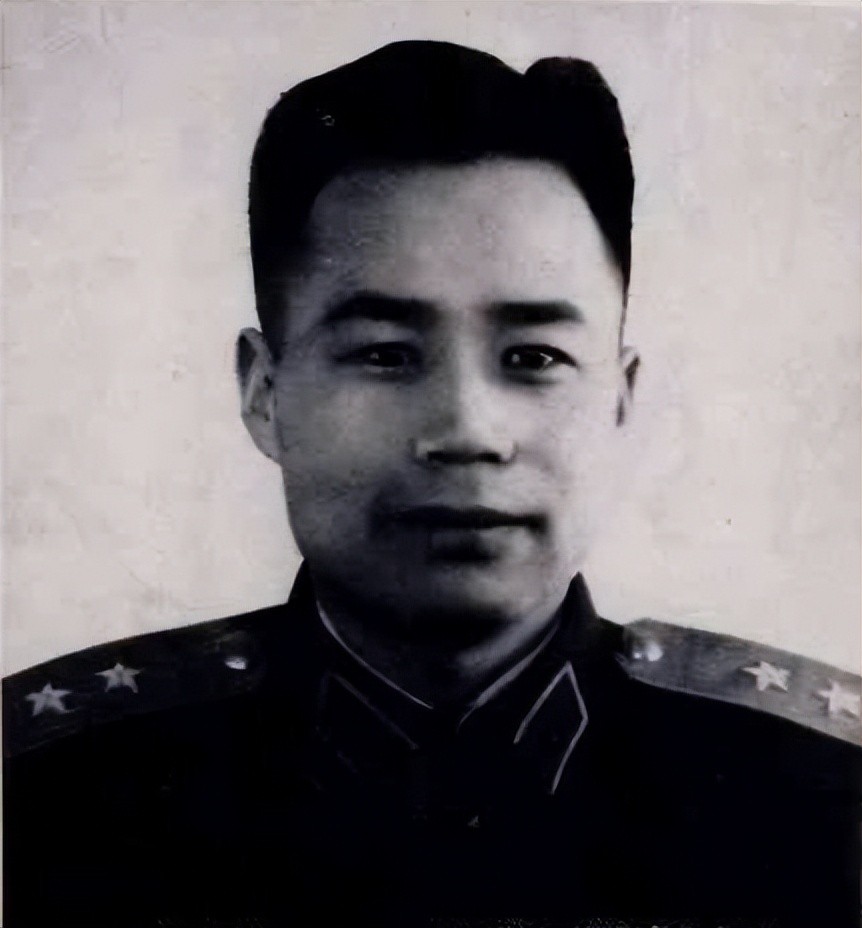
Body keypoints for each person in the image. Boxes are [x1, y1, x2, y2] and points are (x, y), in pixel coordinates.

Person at [3, 40, 860, 928]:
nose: (466, 431)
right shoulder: (42, 796)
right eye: (385, 354)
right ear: (264, 395)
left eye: (534, 357)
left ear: (619, 397)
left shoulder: (824, 799)